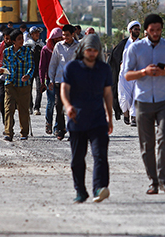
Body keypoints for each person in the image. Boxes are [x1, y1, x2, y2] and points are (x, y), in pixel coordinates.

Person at [123, 14, 165, 195]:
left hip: (164, 100)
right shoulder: (136, 48)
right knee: (146, 143)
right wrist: (144, 72)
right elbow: (127, 75)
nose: (155, 33)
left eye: (158, 30)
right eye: (152, 30)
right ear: (146, 30)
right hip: (143, 100)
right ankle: (153, 181)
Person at [60, 34, 113, 204]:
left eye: (95, 50)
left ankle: (99, 188)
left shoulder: (104, 69)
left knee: (100, 156)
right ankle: (80, 191)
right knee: (77, 158)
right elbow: (64, 89)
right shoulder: (72, 68)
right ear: (83, 50)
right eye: (89, 50)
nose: (92, 53)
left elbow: (108, 94)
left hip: (98, 120)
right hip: (77, 121)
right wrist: (68, 106)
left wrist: (110, 117)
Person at [1, 29, 34, 141]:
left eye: (22, 38)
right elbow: (5, 65)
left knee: (23, 109)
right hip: (10, 84)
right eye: (19, 39)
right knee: (8, 109)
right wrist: (2, 70)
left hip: (23, 85)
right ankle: (8, 132)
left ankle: (24, 133)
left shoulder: (27, 51)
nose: (22, 41)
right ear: (13, 41)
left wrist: (28, 75)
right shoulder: (6, 52)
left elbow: (31, 66)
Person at [48, 24, 79, 140]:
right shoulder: (58, 46)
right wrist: (51, 79)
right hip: (59, 81)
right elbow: (53, 64)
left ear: (72, 34)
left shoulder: (79, 46)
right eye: (63, 35)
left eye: (67, 35)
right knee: (58, 105)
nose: (65, 37)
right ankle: (61, 129)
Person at [107, 20, 141, 123]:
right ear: (130, 30)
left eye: (139, 29)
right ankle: (126, 114)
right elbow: (114, 58)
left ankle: (134, 117)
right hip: (124, 74)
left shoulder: (142, 43)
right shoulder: (123, 44)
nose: (137, 31)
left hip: (138, 73)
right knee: (124, 96)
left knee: (137, 95)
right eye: (135, 29)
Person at [39, 27, 63, 135]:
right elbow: (42, 67)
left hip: (61, 79)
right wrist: (42, 81)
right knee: (51, 102)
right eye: (56, 38)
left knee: (59, 104)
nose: (58, 40)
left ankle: (57, 127)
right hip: (49, 79)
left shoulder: (63, 49)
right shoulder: (45, 50)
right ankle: (48, 123)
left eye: (59, 38)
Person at [25, 26, 45, 115]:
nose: (37, 34)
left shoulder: (42, 44)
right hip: (29, 69)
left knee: (39, 88)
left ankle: (37, 107)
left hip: (39, 69)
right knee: (28, 88)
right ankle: (30, 106)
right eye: (35, 33)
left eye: (38, 32)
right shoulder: (27, 45)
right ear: (31, 34)